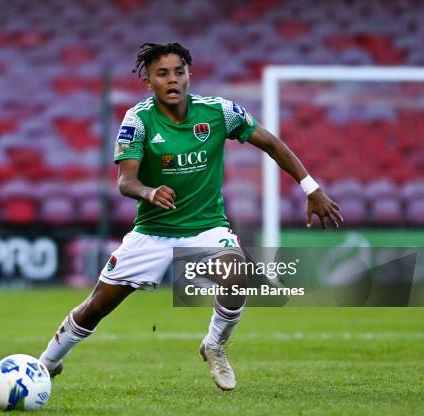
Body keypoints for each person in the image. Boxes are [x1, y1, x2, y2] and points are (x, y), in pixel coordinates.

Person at [39, 42, 342, 390]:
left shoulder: (219, 112)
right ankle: (47, 362)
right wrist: (149, 192)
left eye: (178, 72)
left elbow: (272, 143)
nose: (172, 80)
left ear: (189, 75)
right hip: (152, 232)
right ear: (148, 82)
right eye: (162, 74)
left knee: (237, 274)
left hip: (206, 228)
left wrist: (311, 188)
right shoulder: (137, 120)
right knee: (96, 307)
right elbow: (126, 180)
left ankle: (214, 345)